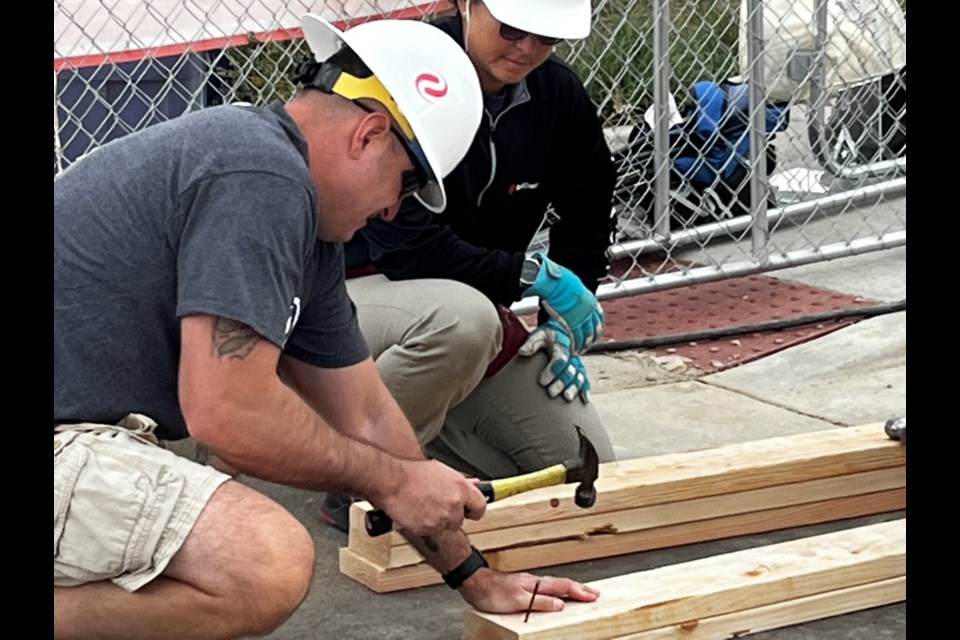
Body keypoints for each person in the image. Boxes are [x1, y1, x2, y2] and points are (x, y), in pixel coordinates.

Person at [53, 14, 600, 639]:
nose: (394, 208)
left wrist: (475, 578)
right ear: (367, 134)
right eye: (408, 182)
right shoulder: (257, 175)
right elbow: (227, 414)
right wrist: (393, 480)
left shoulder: (306, 231)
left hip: (84, 434)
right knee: (261, 563)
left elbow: (367, 414)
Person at [322, 0, 618, 529]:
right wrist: (532, 276)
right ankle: (355, 475)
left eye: (546, 37)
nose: (527, 47)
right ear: (466, 5)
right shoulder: (403, 71)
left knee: (586, 467)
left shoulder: (556, 92)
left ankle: (412, 444)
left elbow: (589, 210)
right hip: (350, 298)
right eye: (512, 27)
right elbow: (405, 245)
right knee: (463, 322)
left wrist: (560, 330)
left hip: (466, 311)